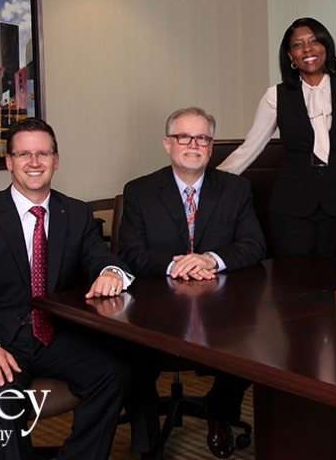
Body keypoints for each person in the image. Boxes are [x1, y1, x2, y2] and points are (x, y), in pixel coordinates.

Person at [0, 117, 132, 460]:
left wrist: (111, 273)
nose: (34, 163)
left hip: (52, 335)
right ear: (9, 162)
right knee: (0, 399)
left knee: (114, 371)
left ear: (56, 160)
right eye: (24, 154)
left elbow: (102, 258)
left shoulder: (74, 213)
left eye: (42, 154)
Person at [118, 107, 264, 459]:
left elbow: (254, 245)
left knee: (252, 346)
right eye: (184, 137)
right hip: (156, 312)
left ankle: (219, 411)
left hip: (221, 309)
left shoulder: (235, 188)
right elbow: (129, 252)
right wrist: (176, 265)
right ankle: (147, 445)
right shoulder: (139, 191)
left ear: (211, 147)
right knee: (133, 360)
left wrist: (210, 259)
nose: (193, 144)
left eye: (202, 138)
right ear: (168, 144)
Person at [217, 17, 336, 258]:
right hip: (290, 204)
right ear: (290, 55)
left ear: (326, 47)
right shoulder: (275, 96)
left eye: (314, 41)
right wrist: (209, 181)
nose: (307, 49)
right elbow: (251, 148)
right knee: (292, 281)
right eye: (298, 45)